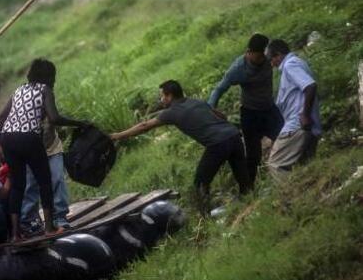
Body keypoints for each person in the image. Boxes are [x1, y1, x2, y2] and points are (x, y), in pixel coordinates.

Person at [110, 80, 251, 214]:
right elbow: (222, 116)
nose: (161, 100)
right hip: (233, 135)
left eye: (162, 96)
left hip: (218, 143)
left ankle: (204, 217)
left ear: (169, 96)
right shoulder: (197, 102)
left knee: (200, 182)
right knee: (242, 177)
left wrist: (118, 135)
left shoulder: (171, 112)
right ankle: (250, 203)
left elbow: (145, 126)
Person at [0, 58, 88, 241]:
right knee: (45, 182)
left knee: (17, 186)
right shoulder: (45, 90)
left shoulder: (19, 90)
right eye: (53, 77)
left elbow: (1, 117)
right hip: (29, 137)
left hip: (8, 137)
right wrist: (79, 123)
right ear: (48, 77)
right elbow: (54, 118)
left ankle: (15, 235)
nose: (54, 81)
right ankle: (50, 228)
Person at [208, 33, 283, 184]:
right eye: (258, 57)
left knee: (285, 137)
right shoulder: (238, 68)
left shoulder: (269, 58)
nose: (263, 60)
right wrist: (210, 108)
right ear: (249, 52)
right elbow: (219, 89)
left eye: (265, 56)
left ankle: (295, 170)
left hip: (269, 109)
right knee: (253, 155)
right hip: (250, 114)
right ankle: (248, 190)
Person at [265, 39, 321, 181]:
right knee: (304, 167)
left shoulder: (290, 65)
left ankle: (291, 196)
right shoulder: (297, 63)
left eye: (271, 59)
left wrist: (304, 115)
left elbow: (310, 86)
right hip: (306, 125)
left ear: (278, 55)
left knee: (276, 164)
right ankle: (309, 198)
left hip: (297, 124)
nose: (271, 64)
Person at [21, 116, 70, 230]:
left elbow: (57, 119)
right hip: (31, 150)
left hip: (52, 147)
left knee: (57, 179)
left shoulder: (48, 103)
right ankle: (30, 221)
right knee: (30, 186)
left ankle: (60, 218)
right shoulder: (24, 107)